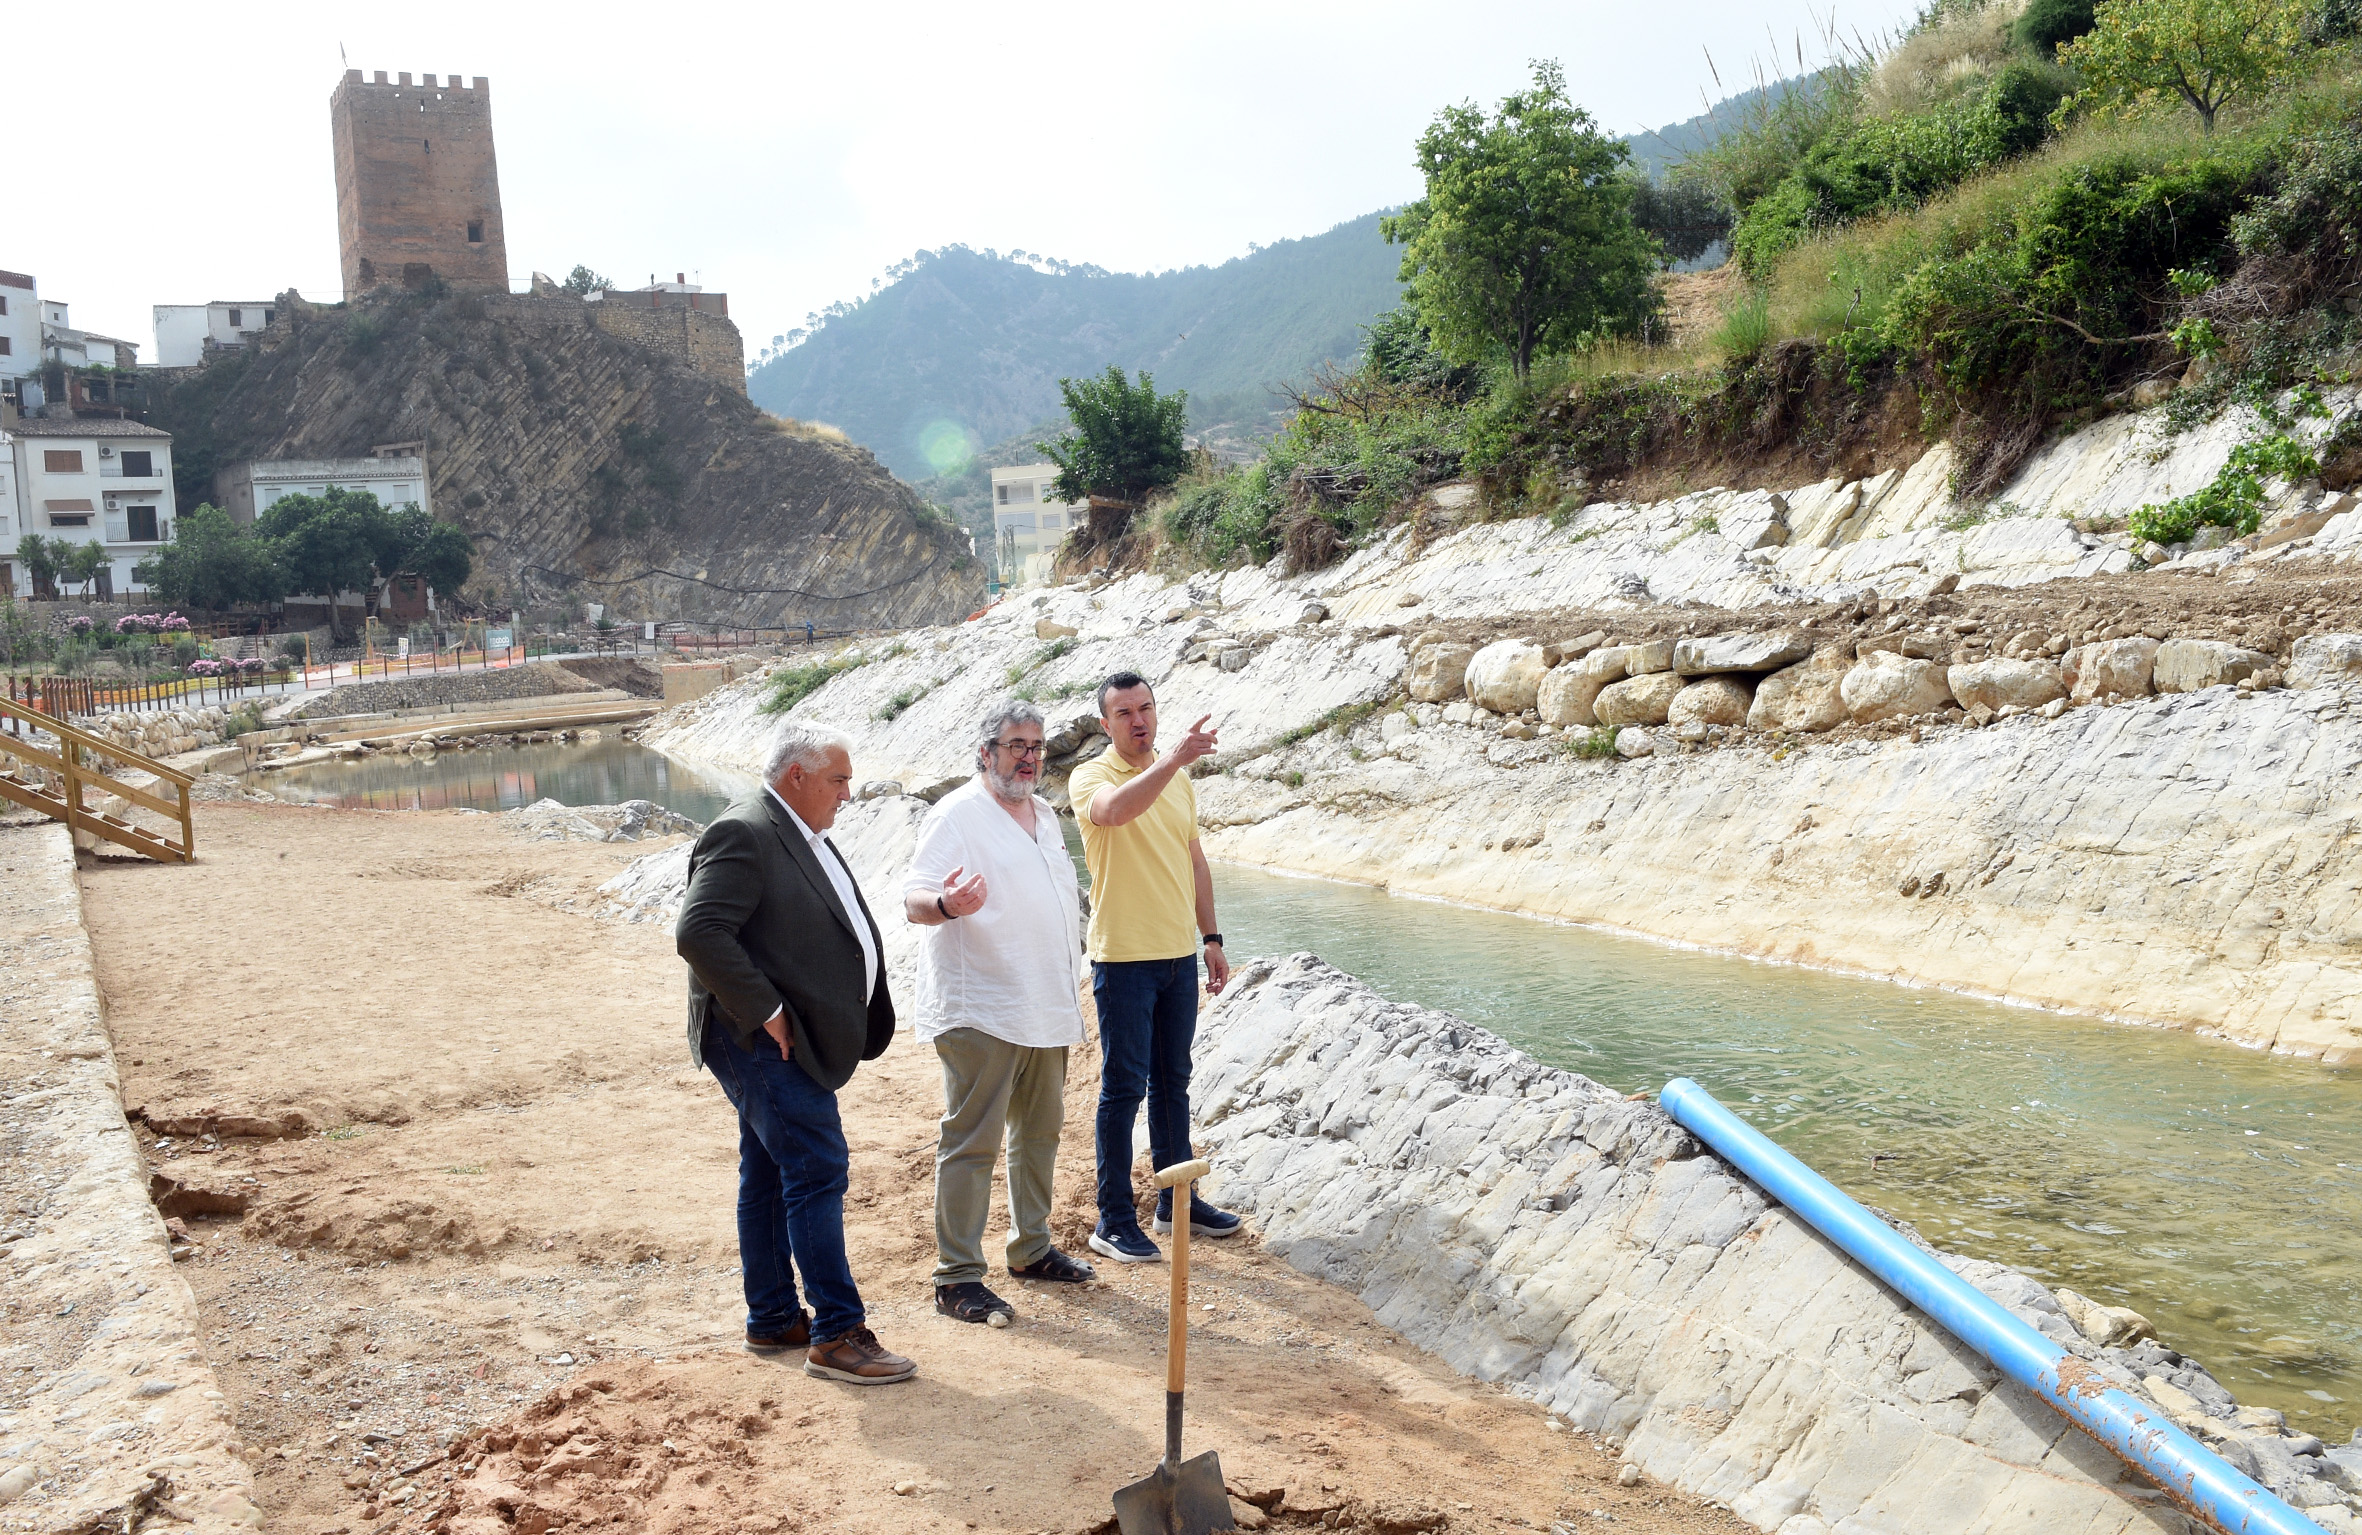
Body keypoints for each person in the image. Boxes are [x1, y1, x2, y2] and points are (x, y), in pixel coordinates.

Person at [675, 719, 915, 1385]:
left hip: (783, 1036)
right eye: (838, 779)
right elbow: (699, 931)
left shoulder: (795, 827)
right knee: (816, 1163)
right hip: (756, 1037)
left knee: (769, 1168)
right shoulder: (745, 831)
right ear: (797, 776)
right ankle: (836, 1333)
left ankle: (775, 1315)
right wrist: (770, 1010)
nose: (847, 792)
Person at [903, 700, 1096, 1325]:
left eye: (1036, 746)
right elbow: (913, 899)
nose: (1030, 757)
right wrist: (947, 904)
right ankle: (956, 1276)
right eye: (1017, 746)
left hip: (1043, 1004)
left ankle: (1031, 1249)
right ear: (985, 752)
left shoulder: (1044, 813)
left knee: (1039, 1134)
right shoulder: (957, 814)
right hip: (982, 1006)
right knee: (972, 1143)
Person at [1068, 671, 1244, 1264]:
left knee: (1173, 1080)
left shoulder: (1179, 781)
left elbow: (1195, 862)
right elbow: (1115, 812)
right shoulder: (1091, 776)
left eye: (1145, 707)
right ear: (1105, 724)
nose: (1138, 720)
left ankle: (1176, 1202)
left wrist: (1211, 938)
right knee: (1122, 1087)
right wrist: (1172, 760)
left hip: (1177, 955)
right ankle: (1113, 1218)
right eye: (1124, 713)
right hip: (1123, 957)